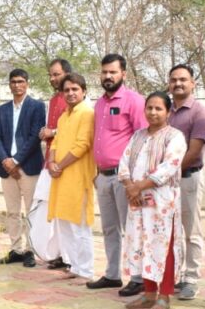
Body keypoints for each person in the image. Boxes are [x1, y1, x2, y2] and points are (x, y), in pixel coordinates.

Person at [118, 91, 187, 309]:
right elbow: (124, 162)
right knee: (142, 243)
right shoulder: (137, 135)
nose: (153, 112)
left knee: (162, 246)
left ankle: (164, 296)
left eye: (159, 108)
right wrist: (131, 187)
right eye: (150, 108)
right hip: (137, 201)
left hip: (161, 202)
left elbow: (169, 166)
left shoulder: (174, 136)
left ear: (168, 112)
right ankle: (148, 293)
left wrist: (140, 186)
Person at [88, 53, 147, 293]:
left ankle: (138, 276)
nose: (108, 76)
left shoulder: (134, 101)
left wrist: (134, 181)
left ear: (124, 74)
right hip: (102, 176)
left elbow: (142, 140)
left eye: (113, 72)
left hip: (124, 178)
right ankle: (112, 274)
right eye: (104, 72)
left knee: (131, 227)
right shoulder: (100, 103)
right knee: (109, 227)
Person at [0, 68, 46, 267]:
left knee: (31, 210)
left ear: (27, 83)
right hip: (7, 168)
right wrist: (6, 160)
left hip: (28, 166)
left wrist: (16, 161)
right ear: (9, 85)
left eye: (21, 81)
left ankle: (30, 250)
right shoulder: (3, 109)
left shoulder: (37, 106)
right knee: (12, 211)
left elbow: (34, 137)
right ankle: (15, 249)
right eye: (13, 81)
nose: (17, 85)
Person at [166, 64, 205, 300]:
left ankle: (191, 278)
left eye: (183, 79)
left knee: (191, 231)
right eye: (174, 80)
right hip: (165, 183)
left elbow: (194, 152)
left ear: (193, 83)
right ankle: (174, 276)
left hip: (188, 178)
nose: (178, 84)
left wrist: (165, 174)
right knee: (170, 231)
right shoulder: (165, 111)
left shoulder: (199, 112)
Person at [46, 74, 96, 280]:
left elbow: (82, 145)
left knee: (80, 226)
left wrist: (60, 165)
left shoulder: (87, 113)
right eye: (66, 90)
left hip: (77, 177)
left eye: (75, 89)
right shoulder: (64, 116)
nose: (70, 93)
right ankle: (74, 266)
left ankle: (85, 270)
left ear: (84, 91)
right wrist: (50, 162)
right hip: (61, 178)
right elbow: (55, 143)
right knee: (65, 223)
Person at [39, 58, 73, 271]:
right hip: (50, 161)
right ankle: (59, 253)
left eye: (57, 74)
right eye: (51, 75)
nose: (53, 78)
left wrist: (52, 132)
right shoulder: (53, 100)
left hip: (68, 163)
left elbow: (76, 128)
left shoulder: (74, 99)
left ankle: (72, 259)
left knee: (67, 212)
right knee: (52, 211)